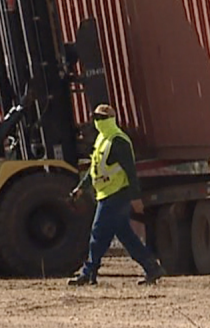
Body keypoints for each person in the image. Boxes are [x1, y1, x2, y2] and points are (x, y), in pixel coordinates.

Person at [68, 104, 166, 286]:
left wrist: (136, 198)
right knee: (127, 237)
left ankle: (89, 272)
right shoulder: (102, 140)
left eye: (99, 118)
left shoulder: (118, 141)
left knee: (97, 233)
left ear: (107, 120)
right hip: (106, 194)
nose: (95, 122)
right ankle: (152, 268)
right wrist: (81, 188)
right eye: (95, 118)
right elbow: (94, 169)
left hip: (116, 195)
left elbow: (131, 172)